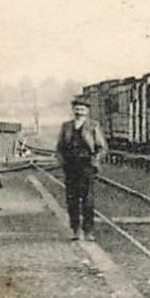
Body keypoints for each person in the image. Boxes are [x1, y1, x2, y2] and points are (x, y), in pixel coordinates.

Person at [56, 96, 107, 241]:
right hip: (70, 167)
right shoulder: (66, 126)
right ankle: (75, 230)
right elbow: (59, 147)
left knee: (87, 201)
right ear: (73, 110)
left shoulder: (93, 126)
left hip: (86, 167)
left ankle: (88, 231)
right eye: (77, 109)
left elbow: (102, 147)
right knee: (71, 200)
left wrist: (95, 162)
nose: (79, 111)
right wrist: (62, 162)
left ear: (87, 111)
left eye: (82, 109)